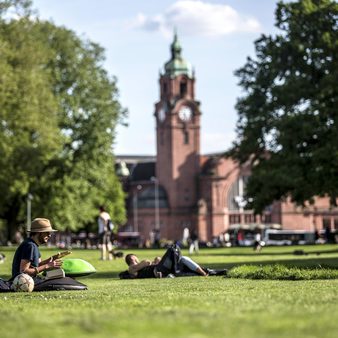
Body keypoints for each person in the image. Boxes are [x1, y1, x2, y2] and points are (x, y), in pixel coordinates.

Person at [124, 245, 209, 279]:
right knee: (173, 248)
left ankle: (203, 272)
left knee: (183, 258)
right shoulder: (131, 268)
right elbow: (145, 262)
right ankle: (176, 270)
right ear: (132, 258)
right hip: (158, 270)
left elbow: (146, 264)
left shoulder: (139, 268)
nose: (137, 259)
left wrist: (155, 262)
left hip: (160, 269)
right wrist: (150, 263)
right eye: (136, 258)